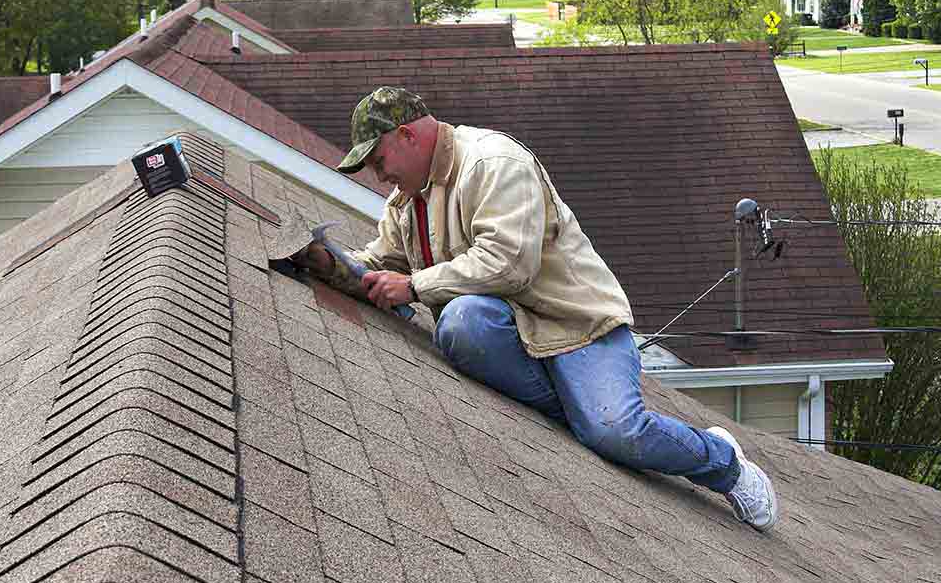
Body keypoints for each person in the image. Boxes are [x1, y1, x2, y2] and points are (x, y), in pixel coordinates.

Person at [285, 86, 778, 531]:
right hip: (513, 331)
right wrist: (331, 264)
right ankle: (583, 412)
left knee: (615, 431)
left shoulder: (493, 165)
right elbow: (380, 264)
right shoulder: (407, 200)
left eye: (379, 159)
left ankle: (723, 462)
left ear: (408, 136)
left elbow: (508, 265)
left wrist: (413, 286)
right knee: (460, 324)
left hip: (577, 327)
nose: (378, 173)